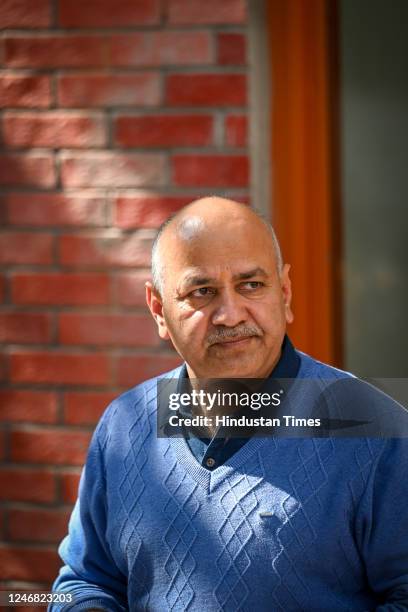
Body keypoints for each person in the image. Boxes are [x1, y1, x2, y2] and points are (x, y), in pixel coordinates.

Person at [50, 197, 408, 611]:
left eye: (251, 285)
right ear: (158, 309)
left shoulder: (377, 429)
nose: (230, 314)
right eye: (202, 291)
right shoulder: (125, 426)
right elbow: (85, 580)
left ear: (285, 292)